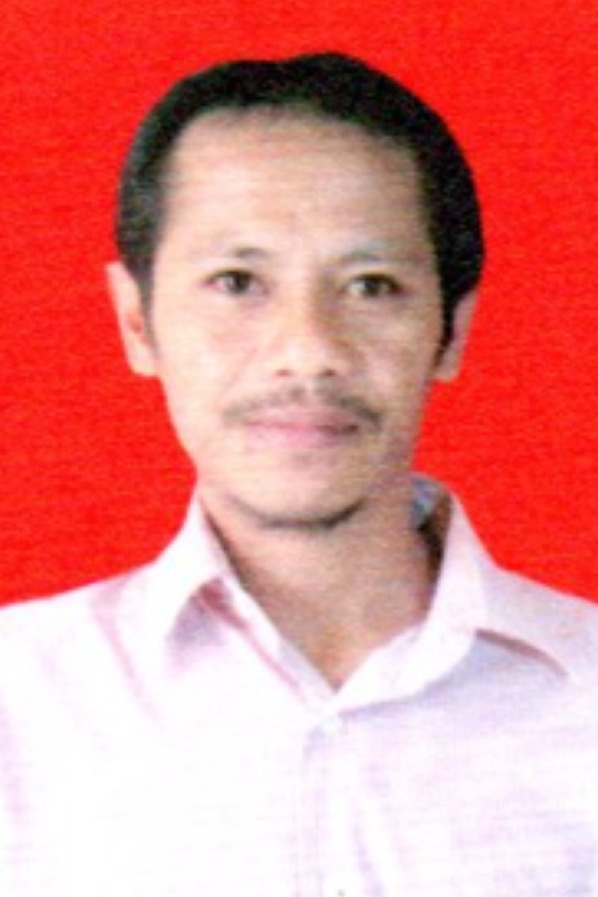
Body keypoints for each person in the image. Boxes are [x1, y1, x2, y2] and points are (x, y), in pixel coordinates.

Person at [1, 52, 597, 897]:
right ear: (137, 320)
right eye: (237, 282)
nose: (309, 350)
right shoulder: (19, 701)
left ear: (452, 330)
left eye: (371, 286)